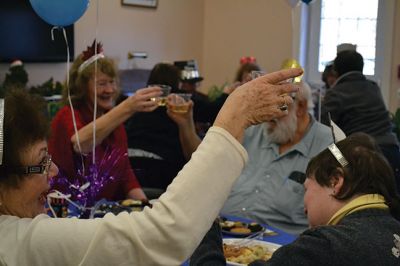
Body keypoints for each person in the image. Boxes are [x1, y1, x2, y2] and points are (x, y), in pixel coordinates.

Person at [0, 68, 301, 265]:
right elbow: (160, 235)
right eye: (41, 162)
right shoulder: (18, 239)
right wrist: (234, 117)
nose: (53, 173)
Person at [190, 132, 400, 266]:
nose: (304, 205)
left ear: (336, 182)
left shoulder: (325, 245)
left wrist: (205, 221)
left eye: (307, 188)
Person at [48, 41, 162, 203]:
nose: (110, 90)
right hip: (66, 210)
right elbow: (81, 143)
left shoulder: (113, 120)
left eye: (112, 82)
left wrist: (147, 206)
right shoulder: (67, 114)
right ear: (81, 87)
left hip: (103, 212)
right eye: (102, 84)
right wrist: (128, 107)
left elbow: (125, 173)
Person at [221, 81, 334, 235]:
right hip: (225, 229)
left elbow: (344, 197)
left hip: (279, 243)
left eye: (275, 108)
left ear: (300, 107)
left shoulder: (331, 144)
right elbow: (208, 162)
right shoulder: (256, 130)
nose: (267, 116)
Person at [321, 50, 400, 193]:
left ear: (336, 70)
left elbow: (326, 136)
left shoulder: (335, 93)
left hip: (362, 156)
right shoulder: (373, 87)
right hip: (392, 152)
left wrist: (343, 164)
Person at [125, 62, 199, 190]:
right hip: (162, 171)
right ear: (177, 82)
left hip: (130, 167)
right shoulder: (180, 103)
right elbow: (195, 156)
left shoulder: (136, 105)